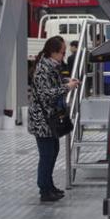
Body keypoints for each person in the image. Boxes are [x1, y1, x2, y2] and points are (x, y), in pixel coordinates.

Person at [28, 36, 78, 202]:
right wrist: (67, 87)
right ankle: (44, 188)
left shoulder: (51, 66)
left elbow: (52, 84)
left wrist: (66, 81)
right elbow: (46, 94)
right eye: (62, 53)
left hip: (49, 120)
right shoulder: (43, 69)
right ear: (53, 52)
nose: (64, 56)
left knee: (53, 152)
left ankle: (49, 186)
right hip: (42, 120)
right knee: (47, 155)